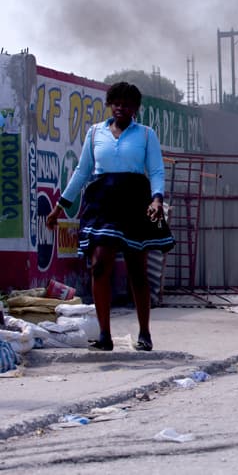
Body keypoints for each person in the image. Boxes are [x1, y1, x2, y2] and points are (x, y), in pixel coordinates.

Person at [46, 82, 174, 352]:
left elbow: (157, 171)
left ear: (135, 108)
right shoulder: (95, 133)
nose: (120, 107)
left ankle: (144, 333)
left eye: (126, 104)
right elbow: (82, 172)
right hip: (102, 202)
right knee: (99, 265)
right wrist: (60, 208)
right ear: (110, 104)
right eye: (116, 102)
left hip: (135, 202)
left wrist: (157, 199)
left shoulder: (146, 135)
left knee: (137, 271)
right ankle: (104, 335)